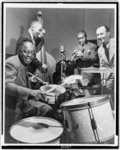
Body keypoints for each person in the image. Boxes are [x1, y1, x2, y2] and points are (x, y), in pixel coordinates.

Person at [5, 40, 53, 142]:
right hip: (13, 105)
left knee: (47, 109)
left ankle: (39, 138)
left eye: (32, 53)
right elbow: (6, 86)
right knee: (16, 135)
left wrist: (30, 80)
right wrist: (30, 92)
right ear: (19, 51)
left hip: (25, 102)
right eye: (26, 51)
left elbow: (19, 80)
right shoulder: (11, 62)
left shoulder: (25, 63)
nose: (29, 55)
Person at [96, 25, 115, 109]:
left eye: (101, 34)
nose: (99, 37)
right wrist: (103, 79)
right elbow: (102, 66)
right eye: (97, 35)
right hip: (109, 76)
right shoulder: (100, 50)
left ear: (108, 33)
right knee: (107, 97)